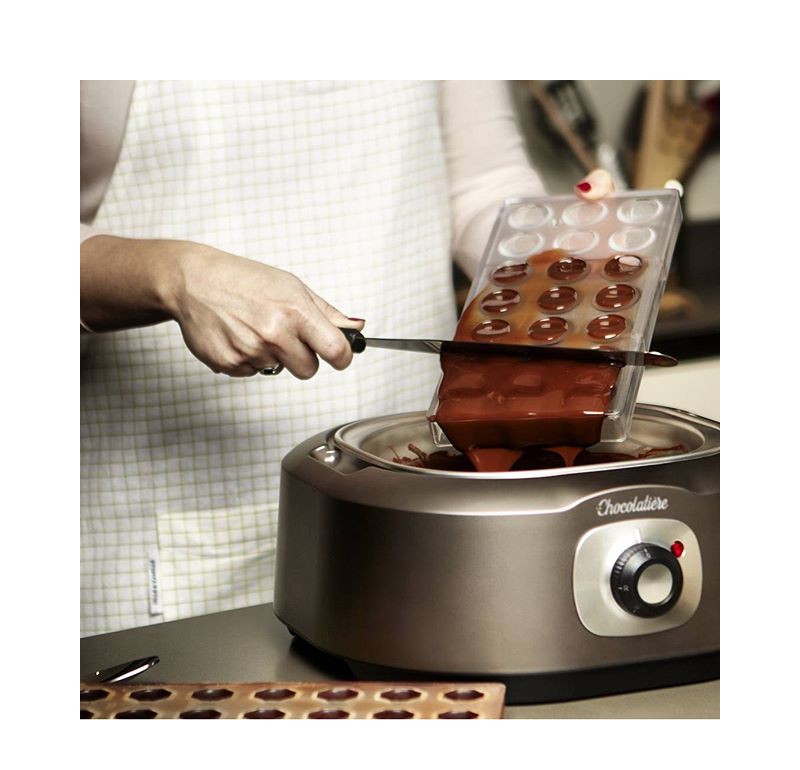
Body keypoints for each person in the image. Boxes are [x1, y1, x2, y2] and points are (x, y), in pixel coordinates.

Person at [80, 80, 613, 636]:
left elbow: (482, 182)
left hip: (420, 486)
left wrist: (559, 249)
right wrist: (173, 275)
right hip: (168, 505)